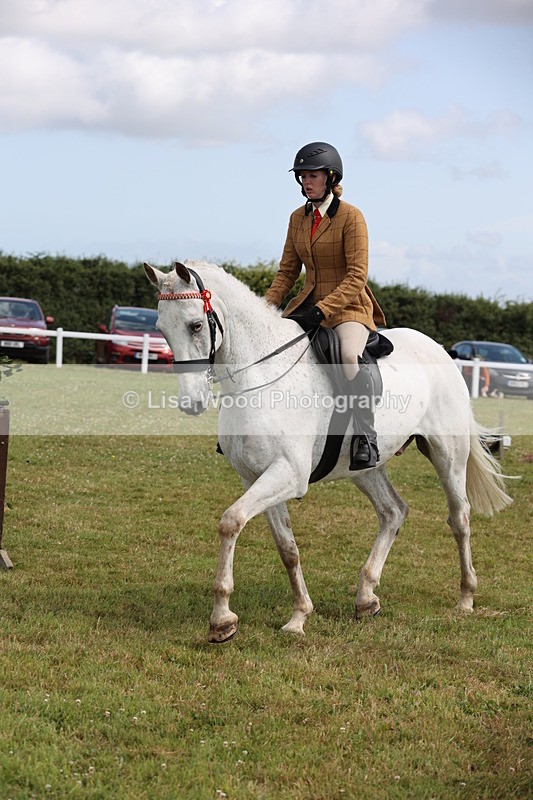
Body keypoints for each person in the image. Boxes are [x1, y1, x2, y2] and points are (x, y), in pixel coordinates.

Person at [265, 141, 386, 470]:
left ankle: (367, 438)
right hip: (308, 305)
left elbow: (357, 275)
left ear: (331, 178)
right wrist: (264, 308)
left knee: (348, 356)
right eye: (302, 176)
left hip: (348, 307)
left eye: (313, 175)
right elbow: (287, 272)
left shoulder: (351, 216)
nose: (306, 181)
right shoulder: (297, 218)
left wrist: (325, 309)